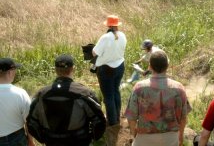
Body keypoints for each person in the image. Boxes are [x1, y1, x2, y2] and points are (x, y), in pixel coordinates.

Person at [26, 54, 106, 146]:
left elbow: (31, 123)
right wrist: (92, 137)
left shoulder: (41, 94)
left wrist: (43, 138)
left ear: (55, 70)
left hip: (52, 142)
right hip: (79, 141)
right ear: (73, 69)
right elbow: (99, 120)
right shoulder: (84, 93)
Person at [125, 50, 192, 146]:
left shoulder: (139, 88)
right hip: (170, 138)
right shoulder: (179, 88)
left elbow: (131, 117)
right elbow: (183, 117)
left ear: (150, 66)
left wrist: (134, 133)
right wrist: (180, 136)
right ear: (167, 66)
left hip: (145, 138)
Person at [92, 15, 127, 146]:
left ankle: (112, 123)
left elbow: (95, 53)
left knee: (108, 96)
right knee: (115, 91)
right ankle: (117, 117)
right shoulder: (122, 35)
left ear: (108, 25)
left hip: (106, 69)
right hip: (120, 66)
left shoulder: (105, 37)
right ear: (117, 25)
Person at [0, 58, 35, 146]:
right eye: (14, 70)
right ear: (10, 72)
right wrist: (31, 141)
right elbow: (28, 120)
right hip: (16, 138)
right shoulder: (20, 93)